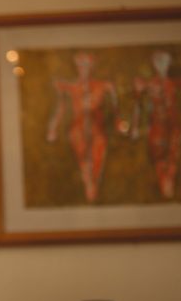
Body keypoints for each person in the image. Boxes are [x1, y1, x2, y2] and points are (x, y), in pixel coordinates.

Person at [47, 51, 125, 203]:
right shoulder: (71, 86)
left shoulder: (102, 85)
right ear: (77, 68)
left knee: (98, 153)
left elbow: (115, 102)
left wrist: (118, 120)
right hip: (78, 127)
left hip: (97, 126)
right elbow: (60, 107)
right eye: (81, 66)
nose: (84, 69)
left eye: (87, 65)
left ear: (91, 67)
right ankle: (88, 184)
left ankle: (93, 184)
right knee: (83, 159)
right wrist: (53, 128)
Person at [132, 50, 181, 199]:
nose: (161, 66)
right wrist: (135, 126)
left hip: (173, 124)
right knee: (159, 156)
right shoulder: (148, 84)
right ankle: (164, 186)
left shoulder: (176, 83)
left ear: (168, 65)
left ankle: (170, 185)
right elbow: (137, 104)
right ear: (154, 65)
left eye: (164, 62)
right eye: (158, 62)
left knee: (173, 154)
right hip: (156, 124)